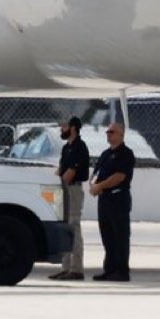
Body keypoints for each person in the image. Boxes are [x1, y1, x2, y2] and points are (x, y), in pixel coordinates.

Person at [89, 121, 134, 281]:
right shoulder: (105, 154)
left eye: (112, 132)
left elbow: (119, 176)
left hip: (118, 198)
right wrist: (93, 186)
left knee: (119, 235)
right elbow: (97, 172)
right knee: (107, 235)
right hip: (104, 199)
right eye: (107, 132)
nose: (109, 134)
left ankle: (121, 271)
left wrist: (100, 185)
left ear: (121, 134)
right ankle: (110, 269)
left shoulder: (125, 153)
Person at [50, 115, 89, 280]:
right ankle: (66, 267)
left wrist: (61, 184)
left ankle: (76, 268)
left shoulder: (80, 147)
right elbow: (61, 169)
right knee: (64, 228)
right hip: (64, 189)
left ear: (73, 127)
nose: (61, 129)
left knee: (73, 226)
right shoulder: (67, 147)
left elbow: (71, 172)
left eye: (64, 126)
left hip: (72, 189)